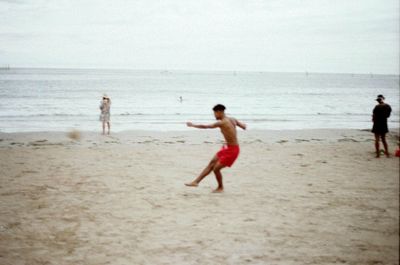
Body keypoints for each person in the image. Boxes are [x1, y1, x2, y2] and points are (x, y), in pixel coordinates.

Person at [185, 104, 246, 193]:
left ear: (219, 112)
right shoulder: (232, 119)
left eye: (215, 113)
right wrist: (241, 126)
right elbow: (243, 126)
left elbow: (206, 126)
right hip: (227, 148)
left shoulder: (222, 122)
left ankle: (220, 187)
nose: (214, 116)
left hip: (233, 151)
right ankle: (196, 182)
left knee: (216, 169)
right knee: (212, 163)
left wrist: (193, 125)